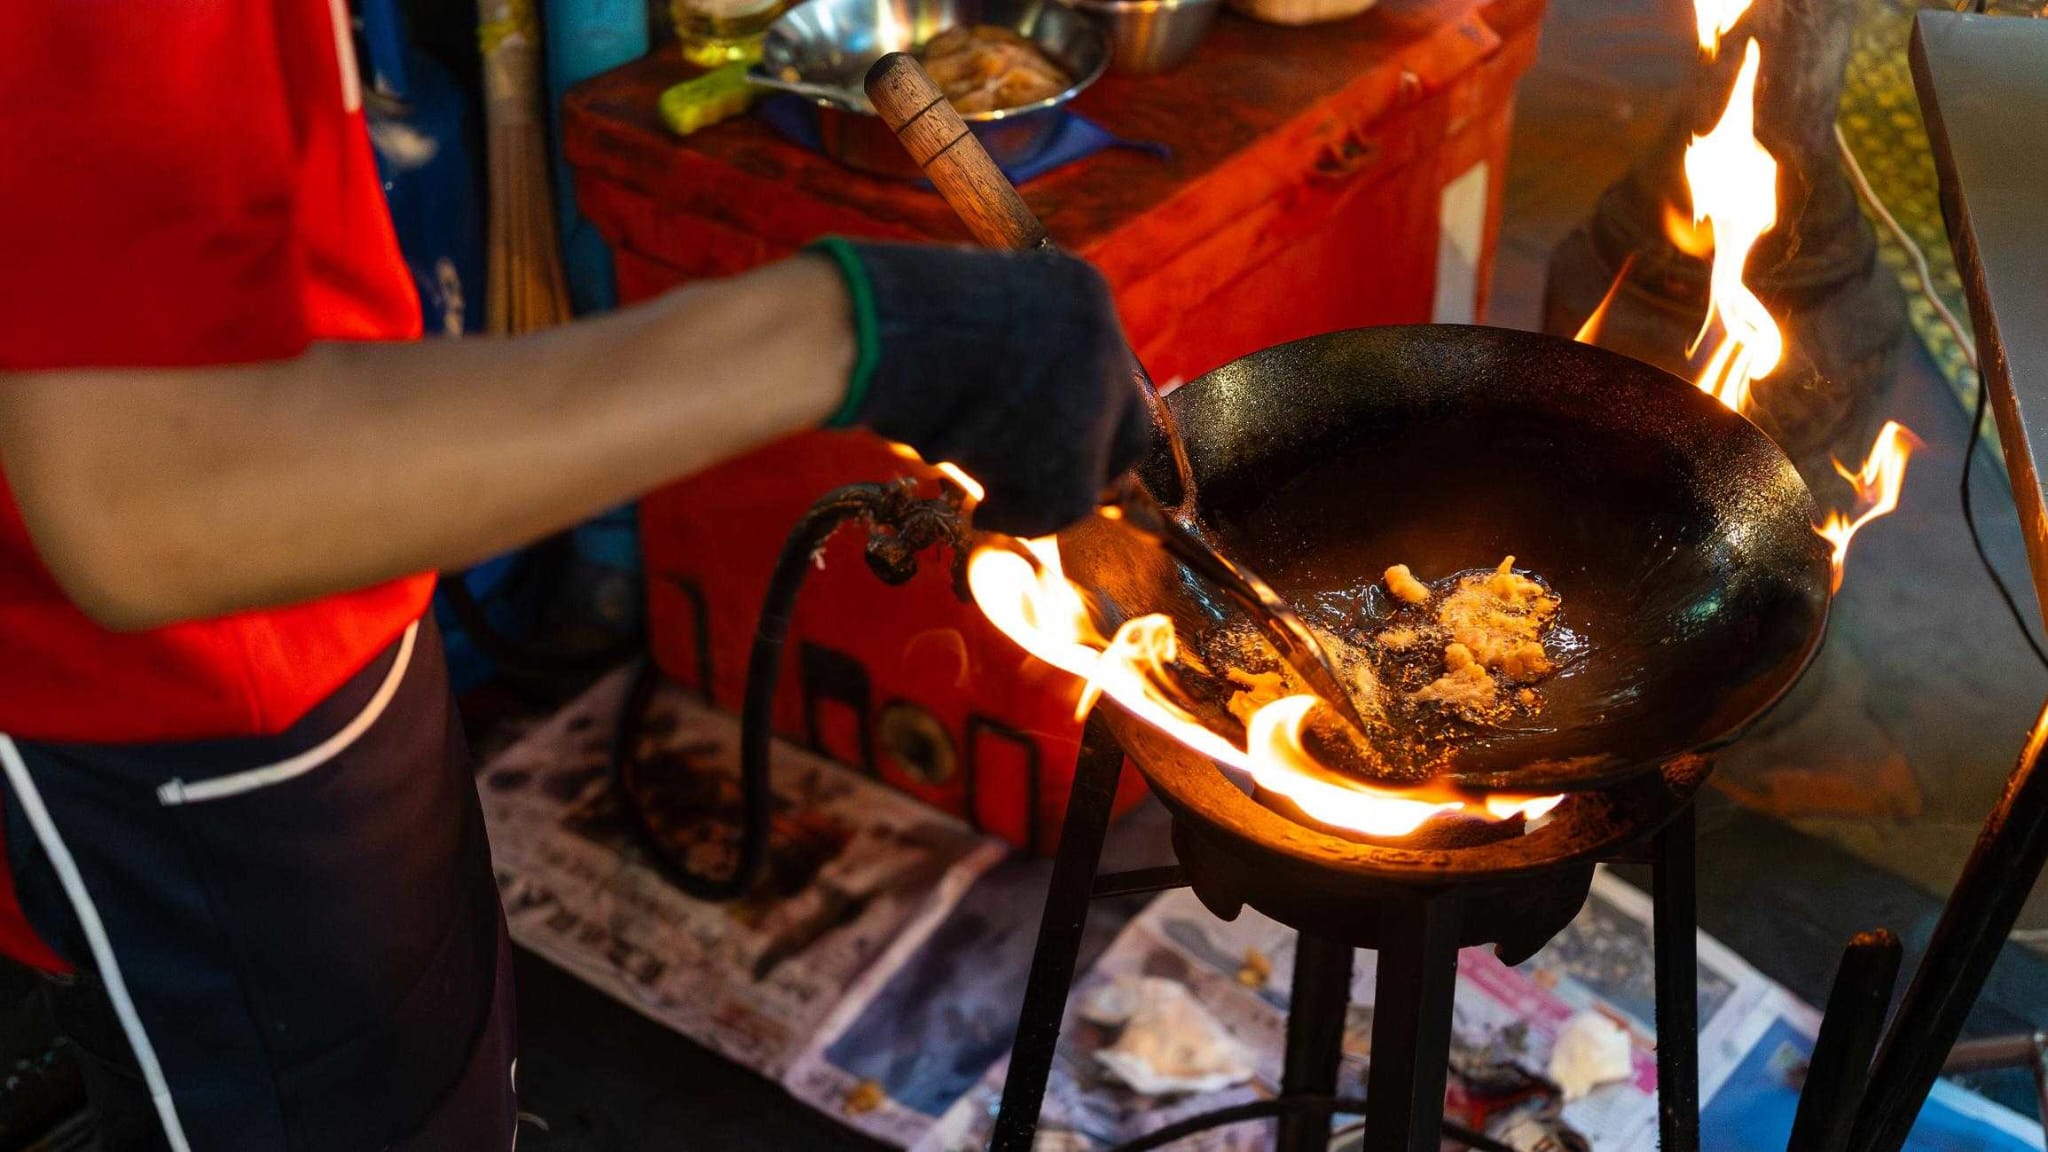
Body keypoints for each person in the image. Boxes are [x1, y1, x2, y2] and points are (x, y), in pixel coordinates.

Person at [0, 4, 1151, 1150]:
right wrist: (863, 331)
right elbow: (150, 500)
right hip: (175, 723)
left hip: (335, 608)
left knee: (445, 1094)